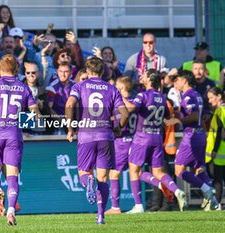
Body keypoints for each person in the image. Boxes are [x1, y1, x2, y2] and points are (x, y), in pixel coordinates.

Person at [65, 57, 129, 224]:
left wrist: (70, 128)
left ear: (87, 71)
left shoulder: (79, 86)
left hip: (86, 135)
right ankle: (101, 215)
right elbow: (125, 113)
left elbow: (70, 104)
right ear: (103, 72)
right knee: (103, 178)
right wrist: (118, 127)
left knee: (84, 175)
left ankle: (89, 182)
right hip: (105, 135)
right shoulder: (112, 89)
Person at [0, 54, 39, 226]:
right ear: (17, 69)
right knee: (12, 178)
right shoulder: (24, 87)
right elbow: (35, 113)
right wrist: (23, 122)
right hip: (14, 134)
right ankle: (11, 211)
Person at [123, 69, 187, 213]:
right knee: (158, 172)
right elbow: (167, 117)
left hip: (142, 137)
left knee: (134, 170)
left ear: (150, 79)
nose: (141, 77)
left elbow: (132, 108)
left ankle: (138, 206)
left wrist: (120, 97)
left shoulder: (143, 95)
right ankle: (176, 191)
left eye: (144, 75)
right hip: (157, 137)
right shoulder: (162, 97)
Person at [164, 70, 218, 210]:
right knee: (199, 169)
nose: (176, 83)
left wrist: (178, 119)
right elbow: (200, 114)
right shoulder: (197, 95)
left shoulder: (187, 96)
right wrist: (178, 113)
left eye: (178, 80)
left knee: (178, 171)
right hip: (200, 135)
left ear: (185, 81)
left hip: (191, 136)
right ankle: (214, 202)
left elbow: (194, 116)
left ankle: (206, 189)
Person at [104, 76, 136, 215]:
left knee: (114, 174)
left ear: (121, 88)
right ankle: (139, 205)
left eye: (117, 86)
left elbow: (119, 118)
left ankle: (115, 207)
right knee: (136, 172)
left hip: (121, 141)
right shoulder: (135, 102)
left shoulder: (121, 104)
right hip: (134, 139)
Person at [206, 87, 225, 210]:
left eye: (211, 98)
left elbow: (220, 132)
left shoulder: (220, 111)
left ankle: (217, 204)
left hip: (220, 152)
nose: (209, 101)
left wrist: (214, 150)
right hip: (221, 151)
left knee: (217, 179)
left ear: (219, 96)